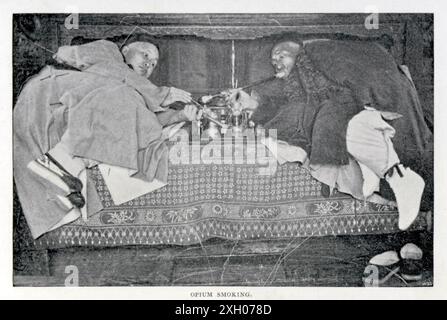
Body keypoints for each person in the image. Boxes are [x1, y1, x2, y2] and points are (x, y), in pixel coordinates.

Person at [232, 40, 433, 231]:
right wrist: (253, 105)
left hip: (377, 102)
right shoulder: (304, 83)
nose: (275, 62)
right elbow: (296, 109)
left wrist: (378, 105)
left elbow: (359, 75)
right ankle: (390, 189)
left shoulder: (317, 52)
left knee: (352, 127)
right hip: (355, 108)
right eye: (273, 60)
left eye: (280, 55)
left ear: (296, 52)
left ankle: (402, 181)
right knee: (339, 132)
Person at [14, 39, 201, 238]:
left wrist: (180, 116)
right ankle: (60, 162)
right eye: (145, 55)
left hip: (71, 105)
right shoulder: (108, 51)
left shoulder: (133, 90)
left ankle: (60, 166)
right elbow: (99, 66)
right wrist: (161, 94)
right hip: (45, 93)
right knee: (121, 94)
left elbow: (146, 121)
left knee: (128, 107)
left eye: (154, 63)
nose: (149, 64)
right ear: (126, 49)